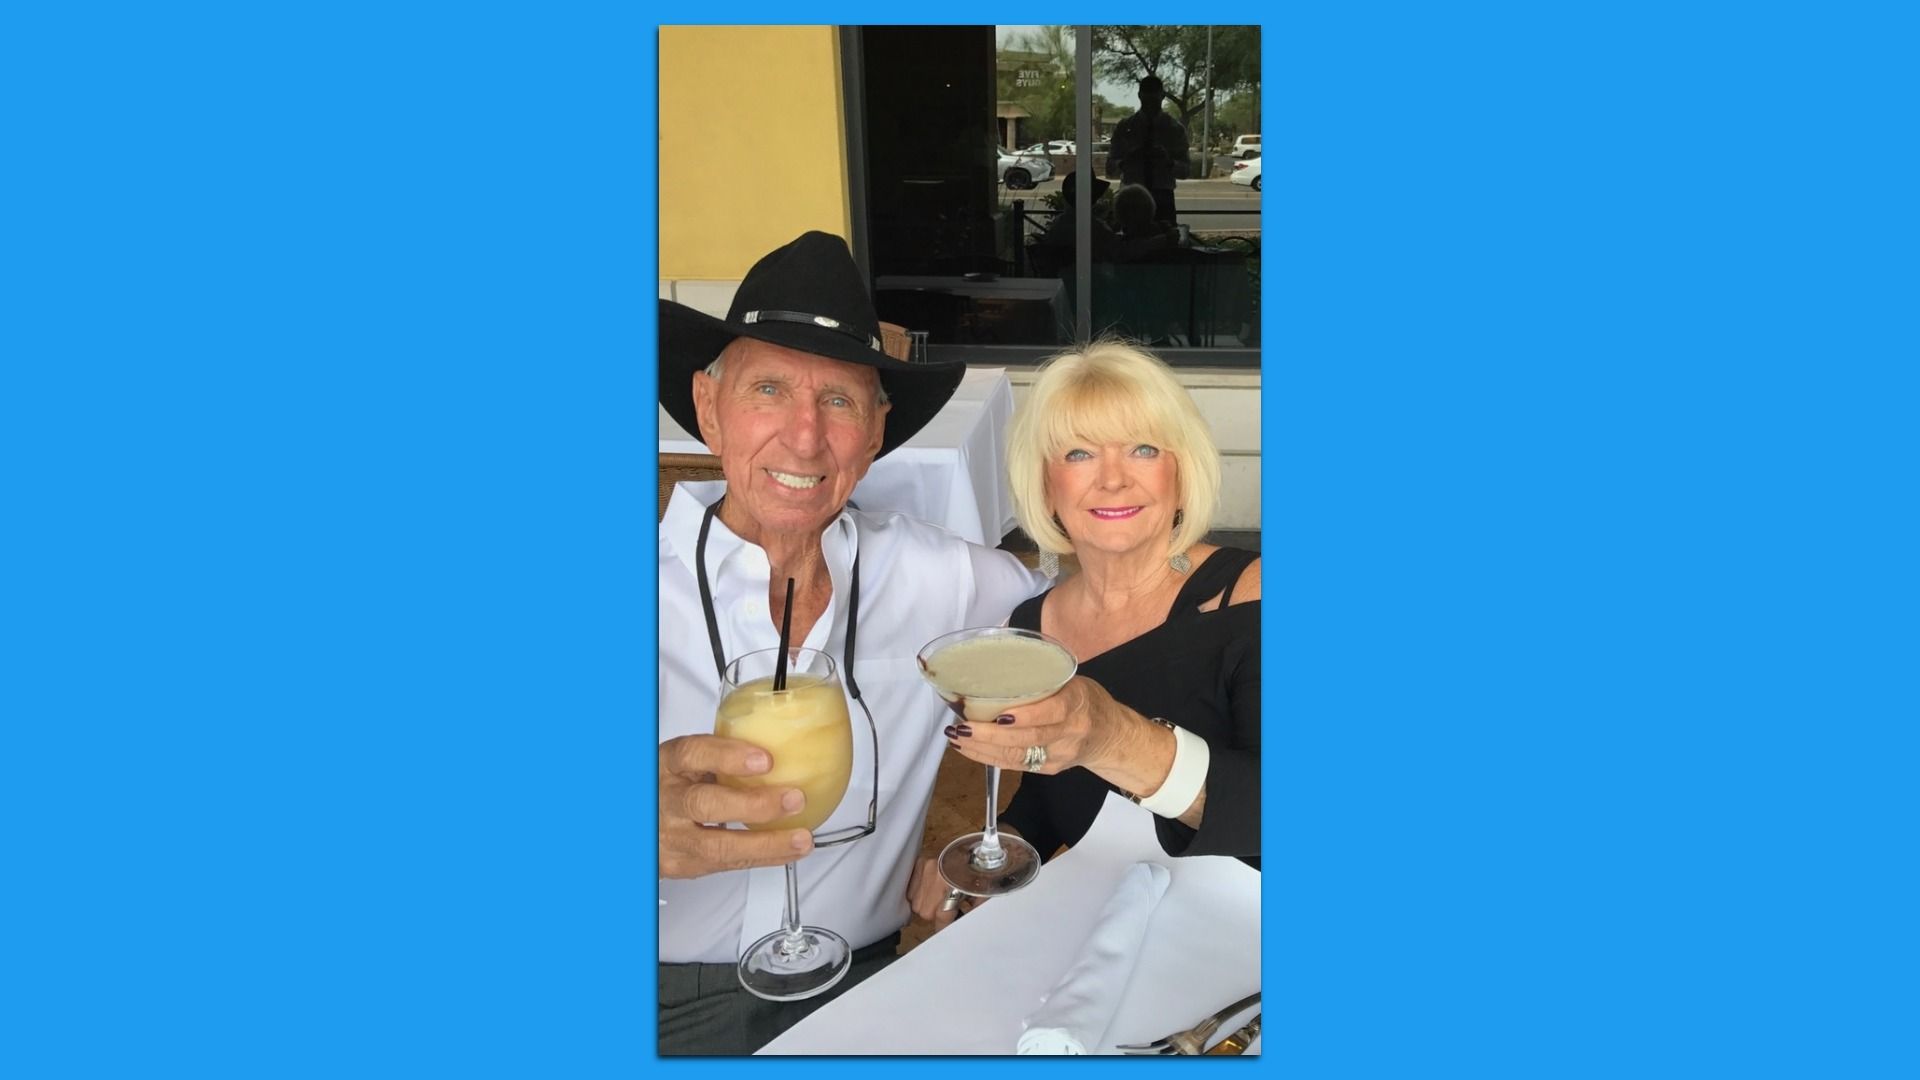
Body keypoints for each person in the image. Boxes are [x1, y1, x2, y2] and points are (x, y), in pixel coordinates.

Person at [657, 231, 1049, 1053]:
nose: (805, 437)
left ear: (875, 432)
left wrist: (982, 833)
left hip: (864, 986)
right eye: (768, 388)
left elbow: (1093, 614)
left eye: (839, 400)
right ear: (706, 407)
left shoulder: (940, 577)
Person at [907, 341, 1259, 933]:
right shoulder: (1031, 626)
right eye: (1079, 453)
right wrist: (1002, 852)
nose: (1114, 480)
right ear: (1046, 485)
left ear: (1181, 470)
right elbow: (1050, 798)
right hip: (1106, 937)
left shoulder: (1254, 596)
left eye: (1144, 449)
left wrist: (1111, 737)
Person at [1104, 75, 1189, 226]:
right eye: (1146, 100)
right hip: (1131, 197)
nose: (1150, 105)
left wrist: (1167, 162)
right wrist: (1127, 160)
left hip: (1162, 197)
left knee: (1163, 245)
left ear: (1162, 97)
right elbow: (1110, 168)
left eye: (1154, 101)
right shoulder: (1124, 128)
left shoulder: (1174, 130)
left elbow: (1186, 171)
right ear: (1139, 96)